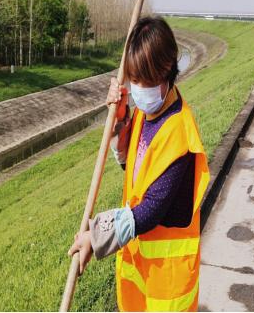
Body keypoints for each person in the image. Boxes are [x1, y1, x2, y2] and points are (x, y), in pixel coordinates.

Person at [68, 16, 210, 312]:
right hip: (141, 275)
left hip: (167, 285)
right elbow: (131, 167)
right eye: (134, 80)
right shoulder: (146, 116)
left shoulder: (178, 132)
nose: (139, 88)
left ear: (169, 71)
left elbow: (152, 207)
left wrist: (96, 237)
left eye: (147, 80)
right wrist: (120, 118)